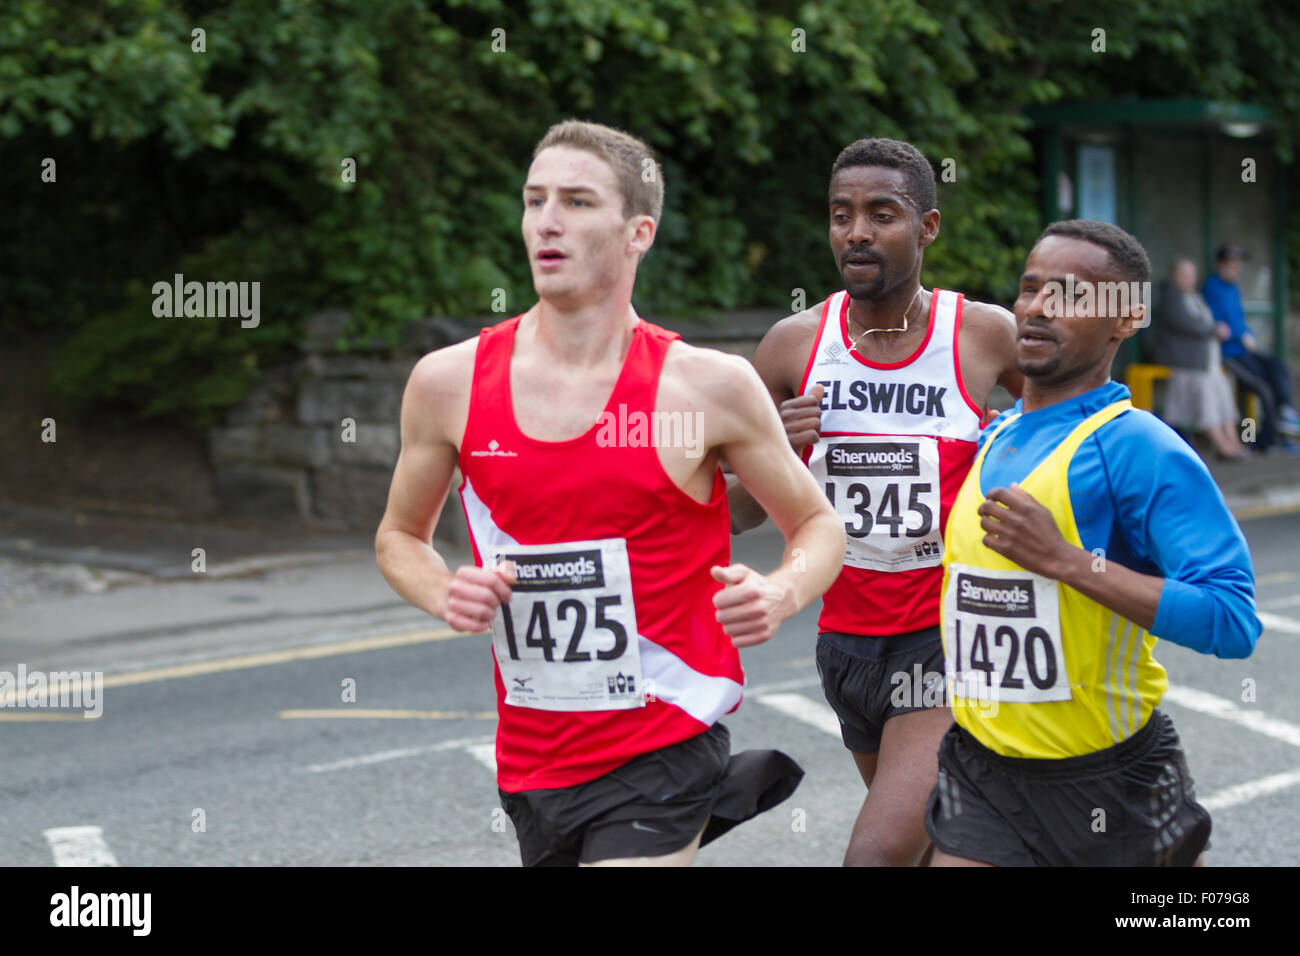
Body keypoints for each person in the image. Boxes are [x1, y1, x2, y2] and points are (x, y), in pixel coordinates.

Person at [374, 119, 845, 867]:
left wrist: (782, 593)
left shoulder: (706, 386)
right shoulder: (448, 382)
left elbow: (818, 522)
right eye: (535, 200)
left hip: (665, 744)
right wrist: (442, 590)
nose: (547, 222)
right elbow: (400, 535)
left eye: (578, 202)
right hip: (533, 757)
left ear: (638, 233)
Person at [926, 220, 1260, 867]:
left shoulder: (1137, 446)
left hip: (1109, 786)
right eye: (1030, 289)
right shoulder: (995, 435)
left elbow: (1233, 619)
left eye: (1073, 295)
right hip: (984, 772)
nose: (1039, 307)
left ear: (1126, 319)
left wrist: (1068, 563)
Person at [728, 138, 1021, 866]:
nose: (856, 231)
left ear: (927, 228)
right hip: (847, 644)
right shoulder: (792, 346)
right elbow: (735, 514)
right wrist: (778, 456)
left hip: (948, 639)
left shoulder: (983, 335)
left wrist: (1010, 451)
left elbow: (1078, 445)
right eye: (841, 214)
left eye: (881, 214)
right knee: (928, 848)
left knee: (876, 856)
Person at [1201, 243, 1300, 451]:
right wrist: (1240, 335)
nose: (1236, 269)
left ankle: (1285, 415)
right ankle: (1265, 441)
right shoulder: (1211, 288)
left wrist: (1248, 335)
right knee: (1262, 389)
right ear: (1220, 265)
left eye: (1238, 265)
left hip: (1244, 352)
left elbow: (1239, 321)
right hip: (1228, 355)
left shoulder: (1233, 288)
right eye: (1231, 265)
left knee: (1278, 366)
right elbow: (1218, 326)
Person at [1152, 257, 1250, 460]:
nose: (1189, 279)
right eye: (1184, 275)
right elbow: (1186, 324)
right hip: (1186, 361)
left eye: (1192, 275)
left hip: (1206, 361)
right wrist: (1215, 329)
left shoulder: (1195, 297)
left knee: (1223, 390)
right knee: (1207, 393)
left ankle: (1233, 440)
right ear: (1174, 276)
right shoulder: (1171, 296)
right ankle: (1221, 444)